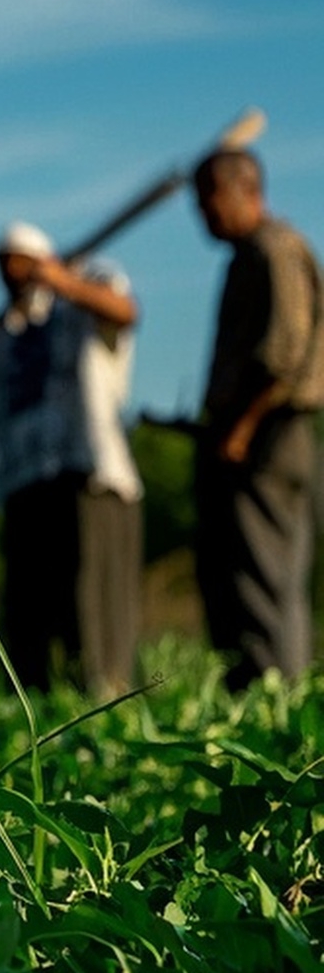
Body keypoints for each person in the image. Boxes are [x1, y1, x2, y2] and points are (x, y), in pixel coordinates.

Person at [0, 222, 142, 697]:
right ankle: (30, 709)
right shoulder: (6, 330)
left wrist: (61, 281)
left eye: (16, 262)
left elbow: (124, 311)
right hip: (26, 480)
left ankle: (104, 701)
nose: (7, 275)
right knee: (28, 611)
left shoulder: (85, 285)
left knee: (93, 606)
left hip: (87, 472)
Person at [191, 150, 321, 689]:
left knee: (267, 577)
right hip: (248, 433)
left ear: (245, 189)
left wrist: (241, 426)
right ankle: (253, 694)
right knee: (238, 577)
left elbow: (285, 353)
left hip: (269, 434)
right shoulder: (247, 255)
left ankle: (278, 705)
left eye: (210, 199)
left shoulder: (274, 250)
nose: (204, 214)